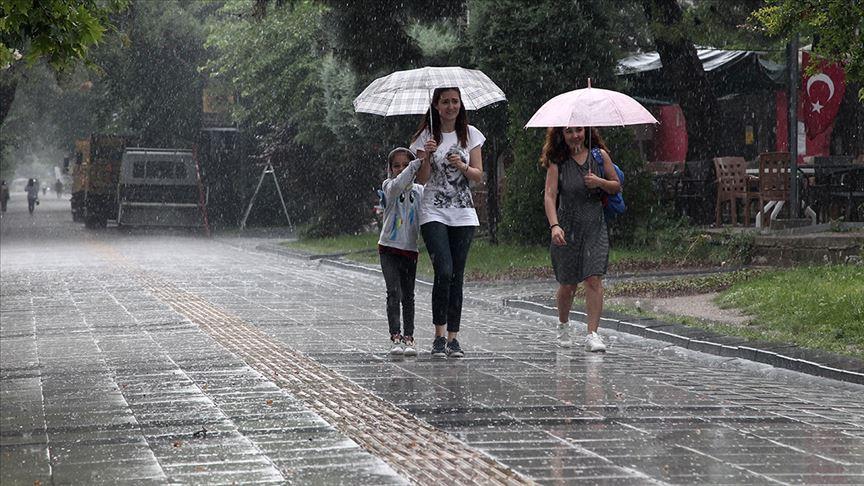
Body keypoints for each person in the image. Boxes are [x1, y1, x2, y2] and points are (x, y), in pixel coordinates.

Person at [410, 87, 485, 359]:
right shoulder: (425, 137)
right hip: (433, 212)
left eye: (455, 101)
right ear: (436, 106)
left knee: (457, 275)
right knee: (444, 270)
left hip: (463, 213)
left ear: (460, 104)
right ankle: (438, 335)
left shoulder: (471, 135)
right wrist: (427, 156)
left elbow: (478, 176)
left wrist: (462, 166)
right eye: (445, 102)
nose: (451, 106)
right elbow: (422, 179)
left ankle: (454, 338)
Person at [541, 127, 620, 352]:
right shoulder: (558, 162)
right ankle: (563, 325)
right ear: (561, 136)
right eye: (569, 132)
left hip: (595, 226)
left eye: (578, 130)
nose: (575, 135)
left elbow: (616, 185)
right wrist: (554, 225)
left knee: (594, 279)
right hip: (566, 228)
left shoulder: (599, 156)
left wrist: (600, 182)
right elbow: (549, 195)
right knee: (568, 285)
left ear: (586, 131)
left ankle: (593, 334)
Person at [378, 147, 425, 357]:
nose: (401, 169)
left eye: (406, 164)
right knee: (393, 292)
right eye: (396, 165)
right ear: (390, 169)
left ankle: (409, 337)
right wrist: (416, 164)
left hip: (409, 250)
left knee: (408, 296)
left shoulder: (419, 191)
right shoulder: (389, 186)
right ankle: (395, 335)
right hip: (388, 248)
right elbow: (398, 185)